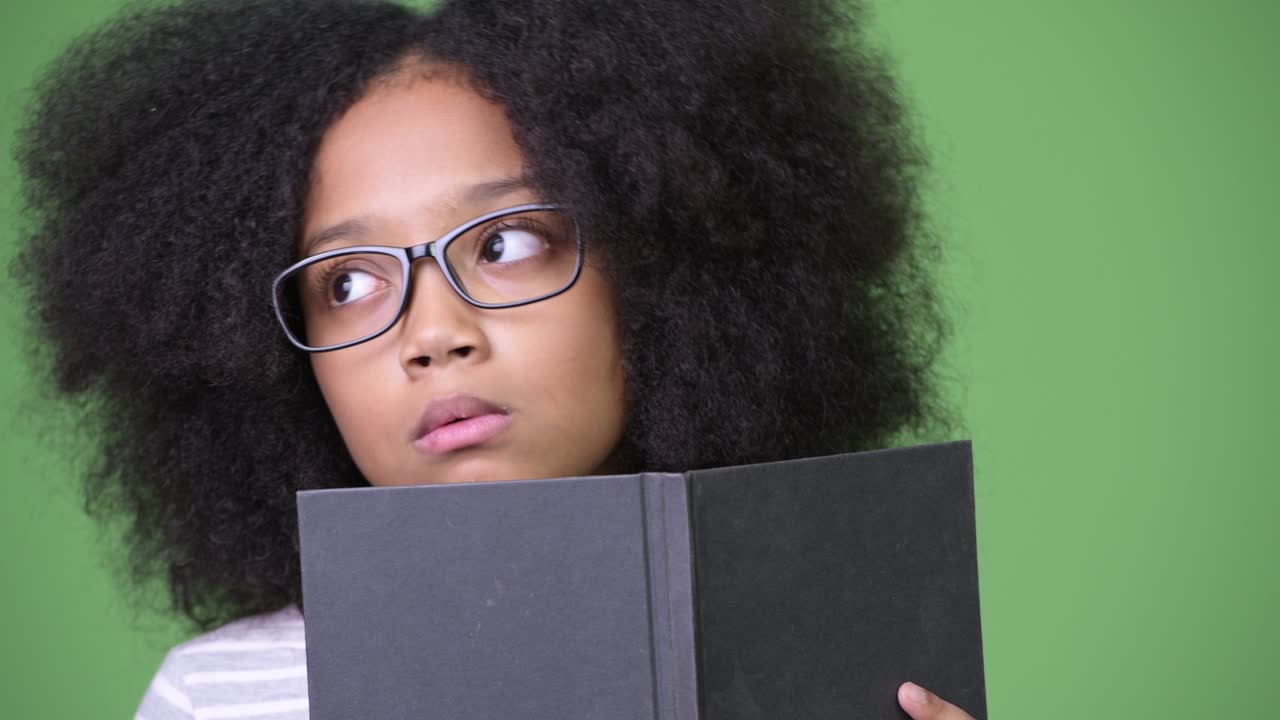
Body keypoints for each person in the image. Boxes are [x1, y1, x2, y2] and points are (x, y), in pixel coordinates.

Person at [13, 0, 974, 717]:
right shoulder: (218, 700)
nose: (433, 334)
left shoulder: (850, 654)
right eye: (346, 281)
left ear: (662, 270)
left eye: (507, 241)